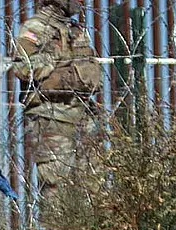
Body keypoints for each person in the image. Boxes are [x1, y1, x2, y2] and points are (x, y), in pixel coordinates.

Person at [7, 0, 104, 198]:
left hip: (83, 118)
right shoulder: (36, 28)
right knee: (56, 191)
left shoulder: (76, 31)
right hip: (51, 121)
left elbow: (94, 75)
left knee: (93, 190)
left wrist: (74, 77)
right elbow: (24, 68)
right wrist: (63, 75)